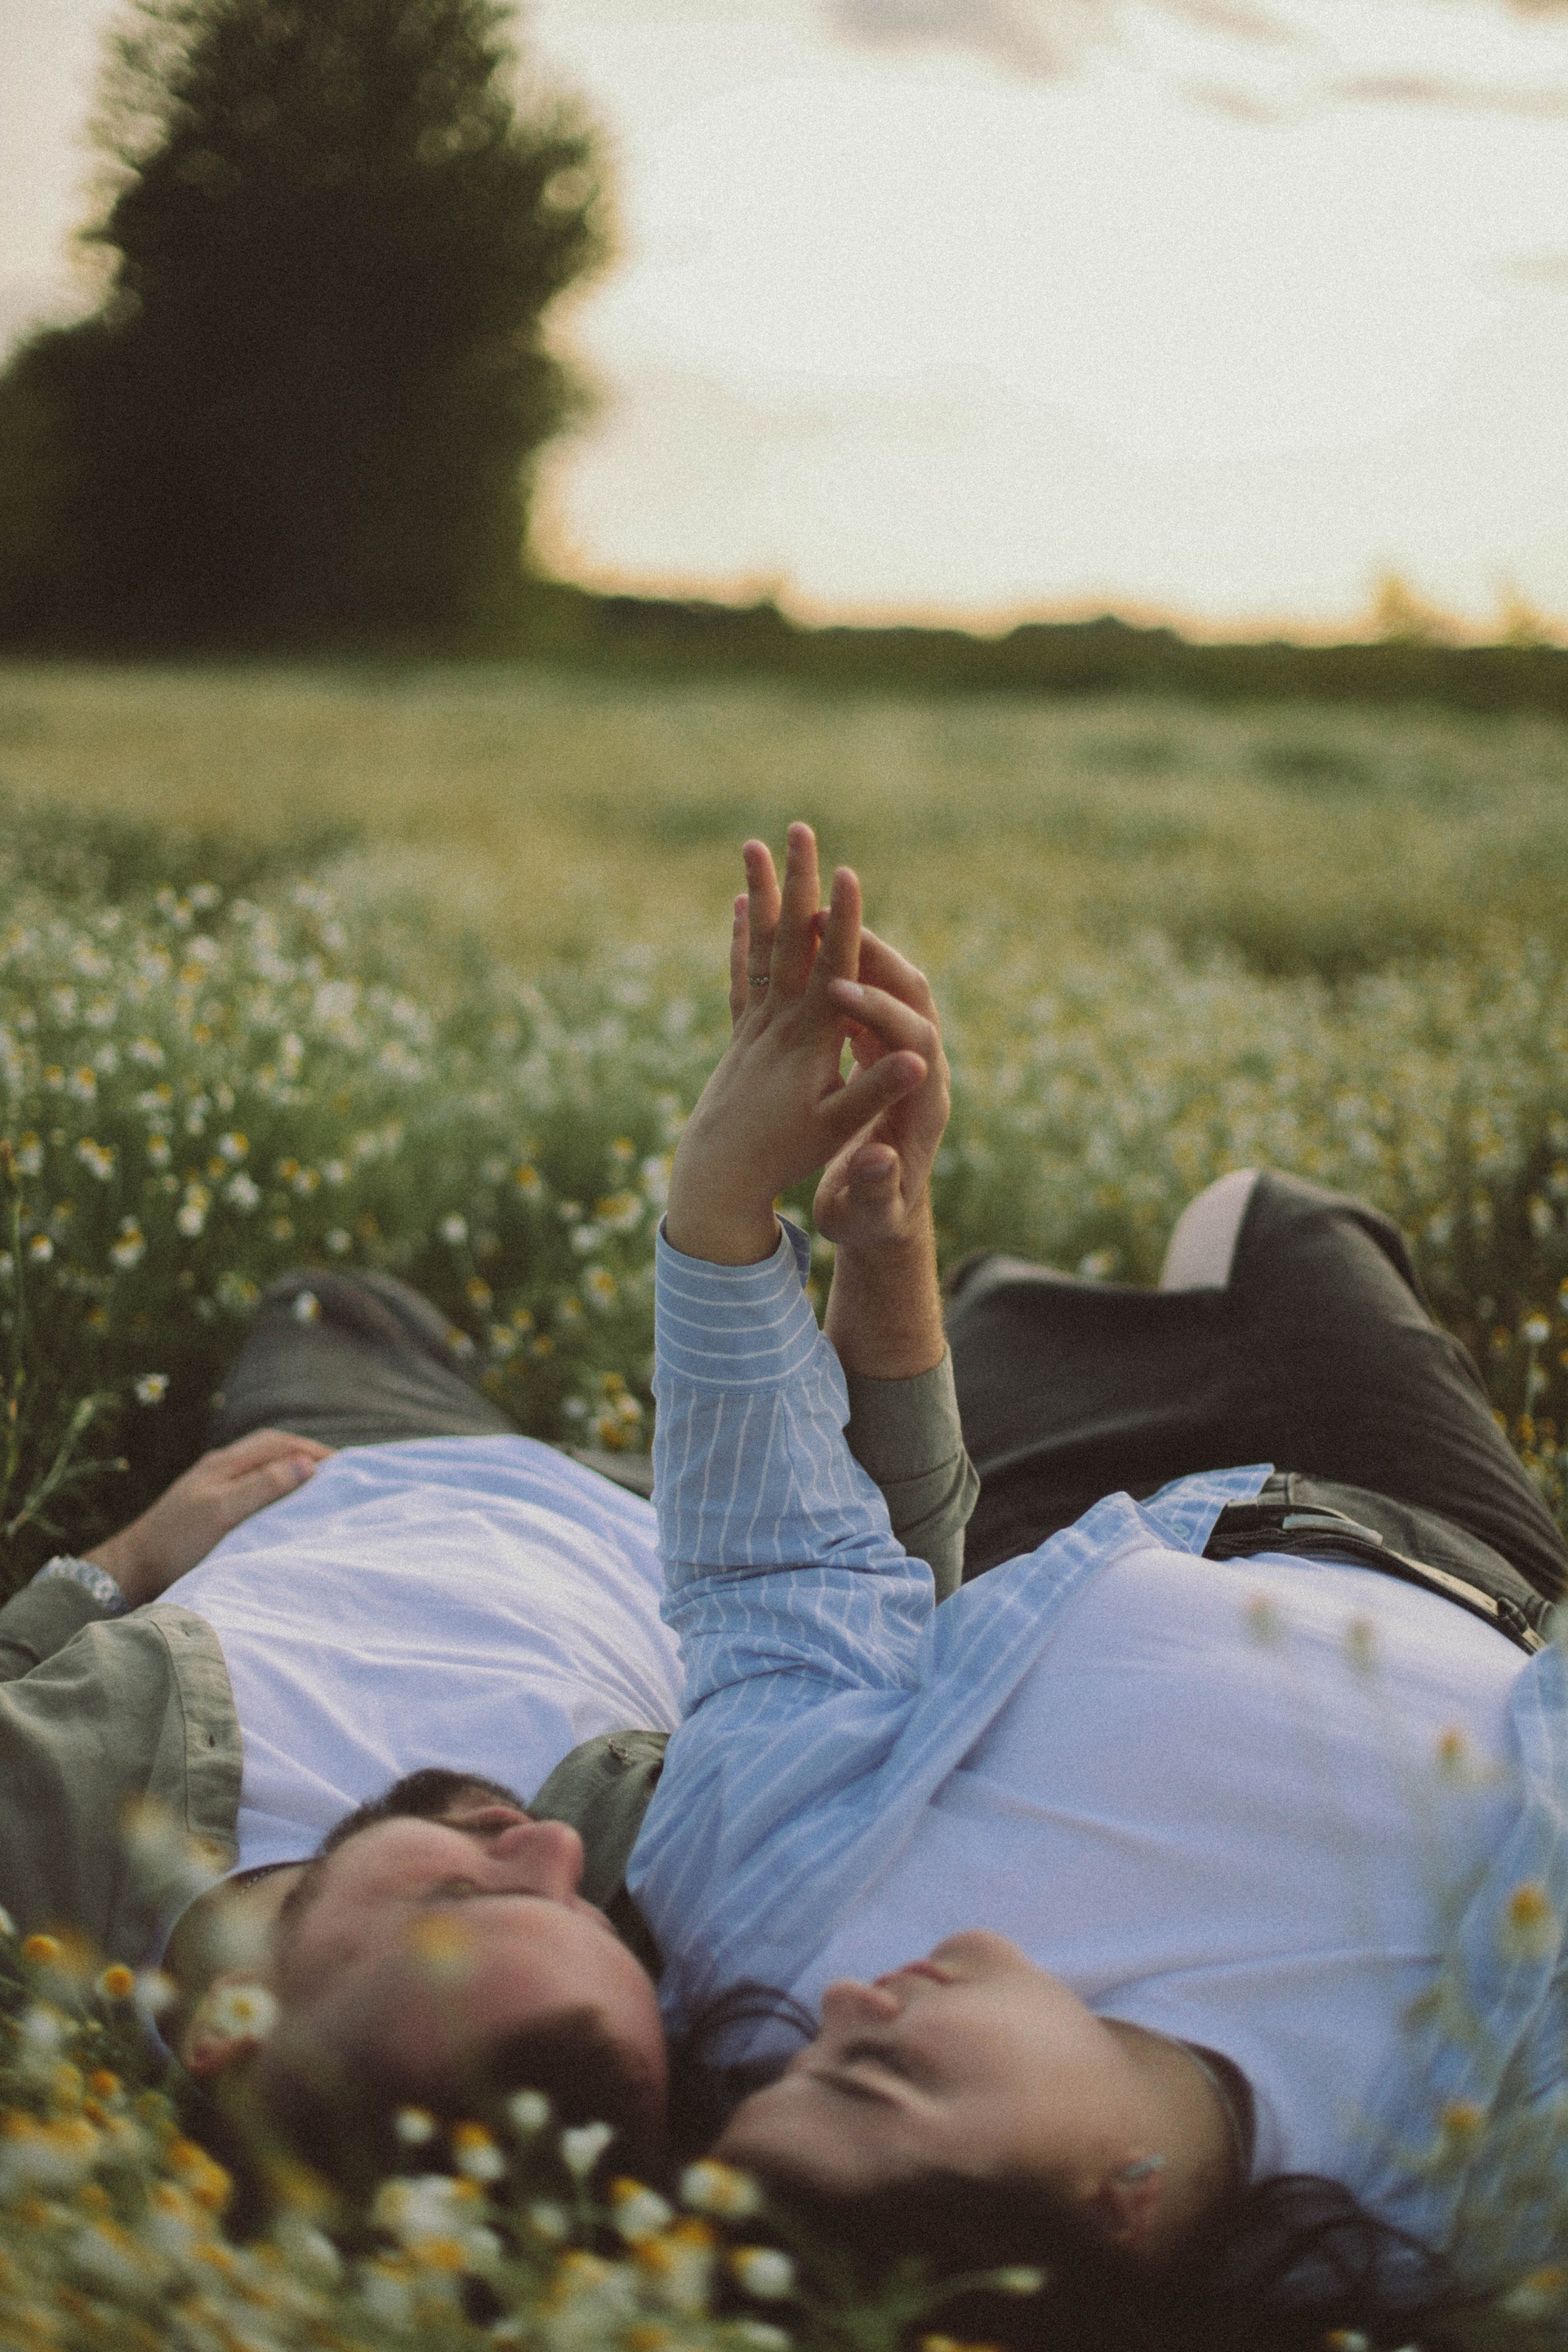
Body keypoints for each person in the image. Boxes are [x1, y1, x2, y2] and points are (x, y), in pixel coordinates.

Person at [627, 822, 1568, 2323]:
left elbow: (781, 1584)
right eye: (874, 2074)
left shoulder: (766, 1945)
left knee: (1035, 1286)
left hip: (1075, 1527)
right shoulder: (1476, 2171)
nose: (842, 2010)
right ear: (1116, 2206)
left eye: (801, 2061)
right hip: (1444, 1545)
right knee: (1277, 1221)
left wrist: (725, 1200)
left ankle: (1001, 1291)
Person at [0, 900, 976, 2157]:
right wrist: (890, 1235)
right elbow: (867, 1609)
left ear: (230, 2031)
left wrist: (127, 1558)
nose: (553, 1846)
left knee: (326, 1301)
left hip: (342, 1464)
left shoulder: (45, 1849)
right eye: (588, 1911)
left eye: (460, 1897)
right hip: (670, 1507)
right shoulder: (701, 1905)